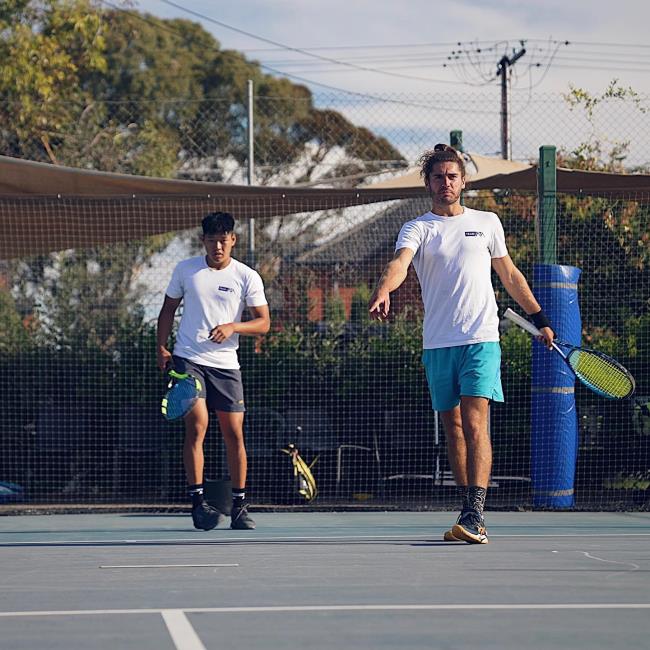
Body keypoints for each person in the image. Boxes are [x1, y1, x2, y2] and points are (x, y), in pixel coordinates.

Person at [368, 144, 554, 544]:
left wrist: (539, 317)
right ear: (428, 183)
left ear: (463, 181)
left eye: (452, 176)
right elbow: (399, 263)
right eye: (438, 177)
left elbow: (509, 274)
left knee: (474, 421)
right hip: (438, 343)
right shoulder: (417, 228)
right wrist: (384, 289)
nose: (446, 183)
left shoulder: (487, 222)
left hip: (481, 338)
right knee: (453, 428)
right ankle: (467, 508)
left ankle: (475, 514)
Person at [157, 211, 271, 531]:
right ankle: (198, 505)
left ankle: (239, 507)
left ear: (233, 239)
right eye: (211, 241)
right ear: (202, 241)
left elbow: (263, 322)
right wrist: (161, 347)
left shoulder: (247, 276)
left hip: (226, 365)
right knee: (197, 425)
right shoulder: (186, 270)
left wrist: (233, 326)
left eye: (223, 240)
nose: (217, 247)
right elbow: (167, 310)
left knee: (234, 433)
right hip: (188, 358)